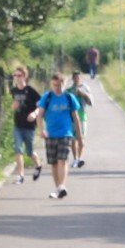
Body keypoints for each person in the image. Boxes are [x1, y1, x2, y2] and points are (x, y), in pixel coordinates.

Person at [35, 71, 83, 200]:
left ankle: (62, 186)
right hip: (50, 134)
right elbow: (39, 115)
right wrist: (42, 130)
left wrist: (80, 137)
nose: (58, 87)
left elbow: (76, 118)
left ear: (64, 83)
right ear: (52, 84)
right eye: (55, 85)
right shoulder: (47, 97)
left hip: (65, 134)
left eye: (60, 84)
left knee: (63, 160)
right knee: (54, 163)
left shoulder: (69, 98)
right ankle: (58, 189)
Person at [7, 66, 42, 182]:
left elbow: (41, 105)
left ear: (25, 76)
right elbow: (10, 107)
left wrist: (35, 114)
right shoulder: (13, 91)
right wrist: (13, 106)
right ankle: (20, 175)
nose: (17, 78)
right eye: (15, 75)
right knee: (18, 149)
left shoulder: (31, 91)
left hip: (29, 126)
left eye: (19, 75)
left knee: (30, 152)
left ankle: (38, 165)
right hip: (18, 124)